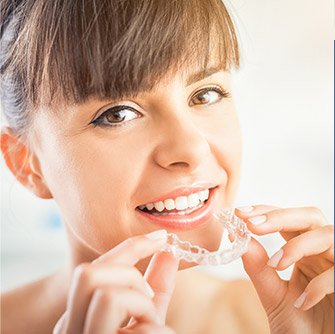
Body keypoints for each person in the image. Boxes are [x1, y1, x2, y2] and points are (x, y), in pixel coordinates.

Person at [1, 0, 333, 333]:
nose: (191, 148)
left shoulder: (298, 317)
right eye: (118, 114)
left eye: (205, 94)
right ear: (26, 163)